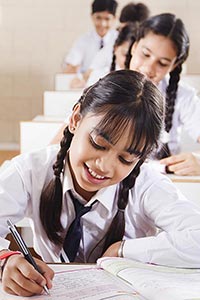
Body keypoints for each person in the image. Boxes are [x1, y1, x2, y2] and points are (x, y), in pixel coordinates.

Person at [1, 70, 200, 297]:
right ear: (76, 119)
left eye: (125, 159)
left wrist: (125, 250)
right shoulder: (31, 170)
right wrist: (5, 260)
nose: (104, 166)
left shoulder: (146, 184)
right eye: (98, 143)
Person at [126, 13, 200, 176]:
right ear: (134, 47)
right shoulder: (104, 86)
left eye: (163, 63)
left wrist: (197, 160)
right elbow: (59, 143)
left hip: (164, 182)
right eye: (145, 54)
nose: (149, 68)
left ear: (174, 66)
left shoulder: (183, 96)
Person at [62, 0, 118, 76]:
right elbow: (70, 68)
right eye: (98, 18)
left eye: (107, 19)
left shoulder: (119, 40)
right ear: (92, 16)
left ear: (114, 18)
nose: (102, 24)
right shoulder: (83, 41)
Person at [86, 22, 137, 86]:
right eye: (125, 55)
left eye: (132, 56)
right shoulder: (99, 76)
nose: (128, 61)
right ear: (115, 48)